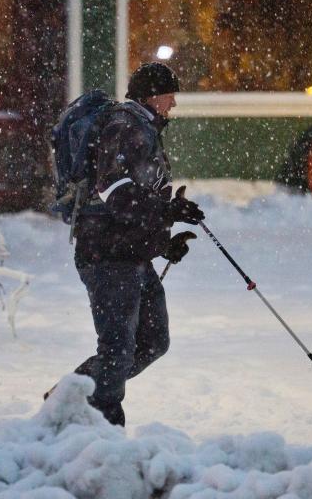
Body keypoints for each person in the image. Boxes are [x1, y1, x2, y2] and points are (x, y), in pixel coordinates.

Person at [63, 62, 205, 426]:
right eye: (170, 96)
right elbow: (115, 193)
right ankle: (101, 423)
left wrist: (164, 243)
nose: (173, 104)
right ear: (153, 96)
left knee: (153, 342)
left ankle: (68, 397)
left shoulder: (144, 129)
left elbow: (136, 204)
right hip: (107, 255)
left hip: (130, 255)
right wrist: (168, 209)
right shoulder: (125, 126)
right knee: (117, 348)